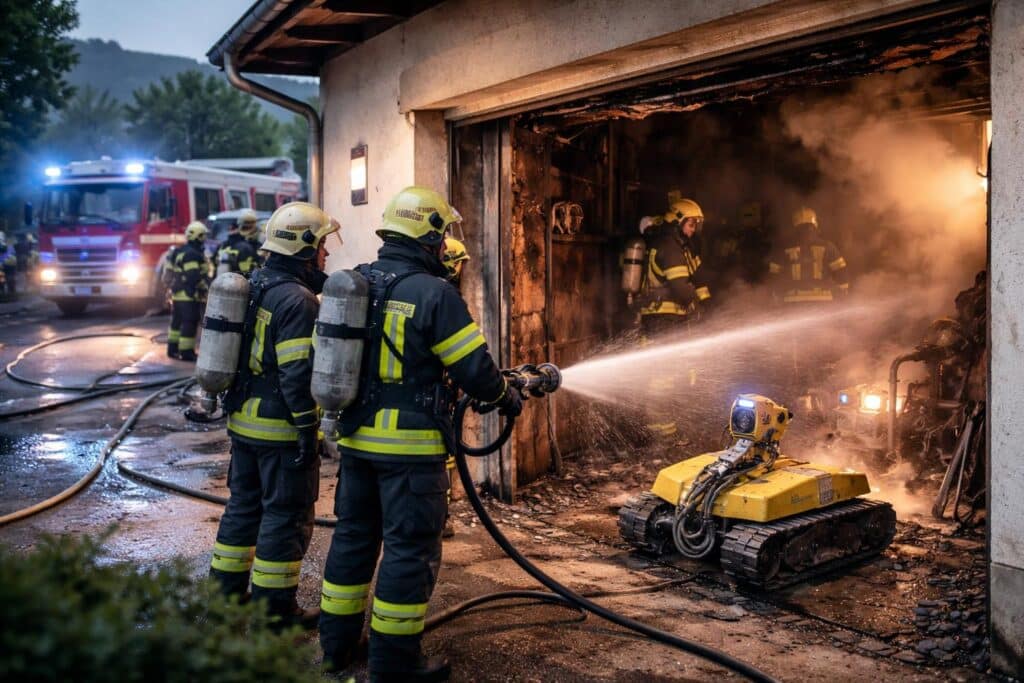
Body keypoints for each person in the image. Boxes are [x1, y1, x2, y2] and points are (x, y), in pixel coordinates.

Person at [319, 186, 522, 681]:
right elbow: (474, 370)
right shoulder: (435, 294)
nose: (444, 245)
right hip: (410, 451)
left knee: (352, 540)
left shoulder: (357, 283)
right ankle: (394, 667)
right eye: (442, 235)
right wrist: (504, 397)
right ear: (428, 236)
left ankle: (336, 649)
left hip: (357, 443)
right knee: (409, 552)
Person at [208, 202, 340, 629]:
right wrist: (308, 426)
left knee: (243, 508)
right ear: (304, 247)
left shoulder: (253, 285)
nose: (326, 256)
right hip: (279, 428)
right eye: (321, 246)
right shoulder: (298, 301)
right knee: (284, 517)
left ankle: (226, 600)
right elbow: (296, 373)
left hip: (243, 421)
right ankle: (275, 613)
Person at [637, 197, 712, 442]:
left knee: (672, 374)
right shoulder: (669, 247)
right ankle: (661, 434)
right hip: (662, 320)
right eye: (691, 224)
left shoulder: (681, 247)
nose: (693, 229)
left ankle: (666, 431)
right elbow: (681, 289)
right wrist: (697, 303)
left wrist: (706, 303)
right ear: (678, 220)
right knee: (663, 377)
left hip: (669, 319)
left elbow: (697, 278)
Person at [439, 236, 471, 538]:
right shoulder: (444, 297)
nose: (462, 269)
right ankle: (441, 517)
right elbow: (467, 357)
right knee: (443, 457)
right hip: (434, 401)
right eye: (460, 262)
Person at [767, 207, 848, 304]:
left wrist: (775, 295)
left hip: (793, 301)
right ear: (815, 226)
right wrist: (843, 292)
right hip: (823, 301)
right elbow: (841, 271)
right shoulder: (828, 246)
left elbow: (773, 276)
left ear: (795, 227)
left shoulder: (783, 248)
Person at [167, 221, 211, 361]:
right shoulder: (193, 254)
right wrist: (205, 287)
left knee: (176, 322)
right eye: (203, 235)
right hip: (189, 295)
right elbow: (193, 276)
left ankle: (172, 349)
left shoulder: (179, 251)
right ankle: (186, 352)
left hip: (177, 294)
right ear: (198, 236)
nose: (204, 238)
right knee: (189, 322)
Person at [214, 210, 259, 276]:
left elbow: (215, 262)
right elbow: (246, 271)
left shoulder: (223, 245)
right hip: (238, 280)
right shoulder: (245, 246)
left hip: (222, 280)